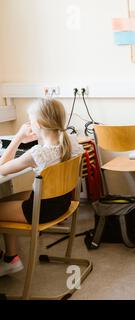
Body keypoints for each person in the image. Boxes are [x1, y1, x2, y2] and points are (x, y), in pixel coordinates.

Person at [0, 99, 83, 277]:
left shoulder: (37, 153)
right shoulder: (72, 143)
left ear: (37, 124)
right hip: (63, 204)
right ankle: (11, 259)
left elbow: (2, 168)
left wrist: (19, 138)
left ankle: (10, 258)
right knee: (7, 199)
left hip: (41, 211)